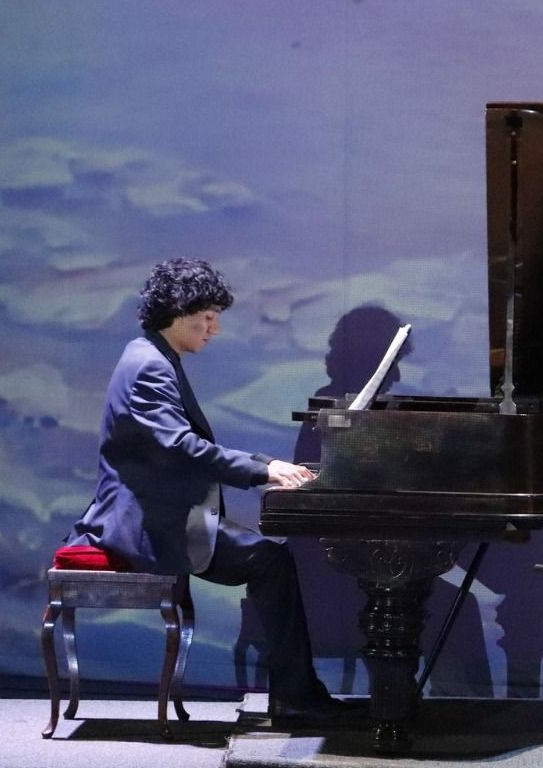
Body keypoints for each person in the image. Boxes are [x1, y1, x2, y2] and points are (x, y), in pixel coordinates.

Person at [63, 257, 350, 722]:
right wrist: (264, 472)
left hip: (161, 512)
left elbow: (185, 447)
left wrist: (265, 465)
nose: (215, 329)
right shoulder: (150, 366)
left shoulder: (150, 355)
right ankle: (296, 696)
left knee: (271, 558)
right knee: (271, 561)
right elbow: (183, 447)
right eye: (209, 318)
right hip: (150, 525)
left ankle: (295, 693)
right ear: (179, 312)